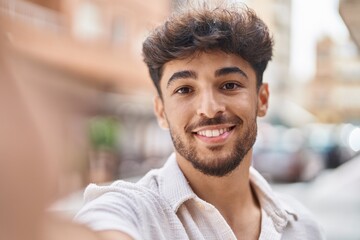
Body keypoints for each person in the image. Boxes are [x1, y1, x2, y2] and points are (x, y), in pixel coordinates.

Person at [74, 2, 325, 240]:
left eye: (229, 85)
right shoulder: (132, 211)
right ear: (161, 111)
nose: (209, 109)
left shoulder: (303, 227)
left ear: (262, 99)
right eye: (184, 90)